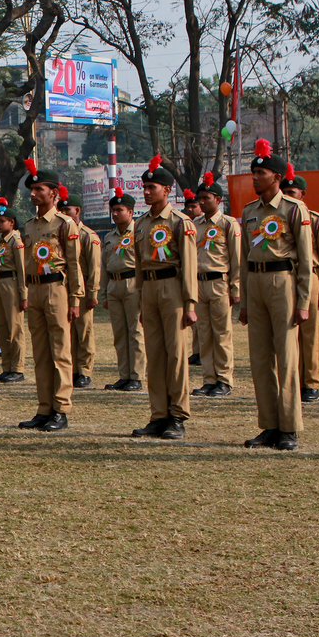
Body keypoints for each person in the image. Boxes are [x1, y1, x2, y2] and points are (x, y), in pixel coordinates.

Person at [239, 139, 313, 451]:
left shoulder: (294, 209)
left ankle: (289, 427)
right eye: (254, 173)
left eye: (262, 173)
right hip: (255, 283)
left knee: (286, 356)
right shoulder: (249, 212)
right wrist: (243, 301)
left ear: (277, 178)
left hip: (283, 281)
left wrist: (304, 301)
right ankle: (269, 425)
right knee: (259, 359)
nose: (255, 177)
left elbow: (307, 260)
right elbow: (244, 257)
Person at [129, 156, 197, 440]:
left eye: (152, 187)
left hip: (173, 288)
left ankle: (177, 415)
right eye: (144, 187)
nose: (146, 191)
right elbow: (140, 266)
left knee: (177, 355)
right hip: (151, 290)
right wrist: (142, 298)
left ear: (167, 191)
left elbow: (190, 264)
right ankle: (158, 414)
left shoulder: (180, 222)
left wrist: (190, 303)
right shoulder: (141, 223)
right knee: (155, 355)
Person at [17, 161, 81, 432]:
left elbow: (75, 263)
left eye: (39, 189)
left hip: (57, 289)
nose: (33, 193)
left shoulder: (65, 224)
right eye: (31, 189)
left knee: (60, 352)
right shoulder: (29, 225)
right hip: (36, 289)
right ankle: (44, 408)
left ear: (53, 193)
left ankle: (61, 407)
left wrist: (76, 298)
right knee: (41, 352)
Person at [281, 167, 319, 402]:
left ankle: (311, 383)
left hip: (309, 277)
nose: (288, 195)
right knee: (287, 332)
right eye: (284, 191)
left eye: (292, 192)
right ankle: (292, 380)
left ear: (303, 194)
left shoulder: (315, 220)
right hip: (283, 279)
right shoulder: (275, 219)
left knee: (309, 333)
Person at [190, 172, 240, 398]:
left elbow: (236, 258)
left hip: (219, 282)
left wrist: (236, 288)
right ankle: (209, 379)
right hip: (199, 284)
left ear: (218, 200)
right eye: (200, 198)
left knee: (222, 334)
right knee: (204, 334)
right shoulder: (195, 225)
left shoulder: (228, 224)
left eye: (206, 198)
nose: (201, 202)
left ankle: (224, 379)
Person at [102, 188, 145, 391]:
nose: (115, 213)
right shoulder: (110, 237)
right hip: (114, 284)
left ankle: (136, 376)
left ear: (130, 211)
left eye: (119, 209)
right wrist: (104, 292)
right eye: (113, 210)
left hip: (133, 283)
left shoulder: (139, 232)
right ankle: (124, 375)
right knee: (119, 333)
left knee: (135, 331)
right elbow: (104, 266)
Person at [59, 192, 100, 388]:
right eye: (62, 209)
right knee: (69, 331)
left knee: (84, 331)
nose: (65, 213)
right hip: (64, 287)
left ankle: (84, 370)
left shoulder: (87, 236)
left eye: (68, 209)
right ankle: (73, 369)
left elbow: (94, 268)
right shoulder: (61, 232)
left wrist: (92, 293)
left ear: (78, 211)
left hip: (82, 287)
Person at [0, 196, 26, 382]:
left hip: (11, 283)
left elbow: (21, 269)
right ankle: (6, 366)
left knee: (14, 328)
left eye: (2, 221)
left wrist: (23, 294)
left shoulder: (15, 241)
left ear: (11, 223)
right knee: (1, 327)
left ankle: (17, 368)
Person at [184, 190, 203, 365]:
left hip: (208, 276)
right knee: (195, 319)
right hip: (194, 275)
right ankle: (197, 350)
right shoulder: (188, 224)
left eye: (193, 206)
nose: (190, 209)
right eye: (188, 207)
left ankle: (203, 351)